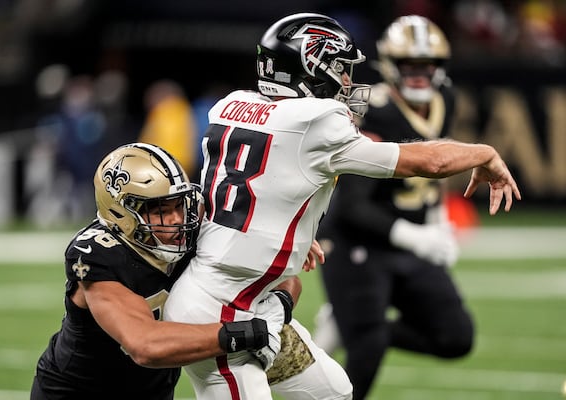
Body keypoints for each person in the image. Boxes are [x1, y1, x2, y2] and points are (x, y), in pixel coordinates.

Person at [162, 12, 520, 400]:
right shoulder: (315, 120)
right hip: (220, 310)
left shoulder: (230, 106)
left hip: (249, 299)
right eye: (340, 70)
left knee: (335, 392)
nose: (347, 81)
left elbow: (247, 188)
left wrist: (294, 230)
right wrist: (482, 153)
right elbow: (426, 163)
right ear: (311, 67)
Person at [30, 142, 295, 400]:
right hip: (78, 392)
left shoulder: (191, 234)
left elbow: (286, 279)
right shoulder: (99, 254)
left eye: (179, 205)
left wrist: (278, 306)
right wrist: (247, 333)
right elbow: (145, 345)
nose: (177, 219)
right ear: (122, 212)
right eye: (161, 211)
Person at [312, 15, 475, 399]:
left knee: (455, 337)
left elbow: (434, 173)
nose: (419, 76)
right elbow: (351, 206)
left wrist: (436, 224)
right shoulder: (375, 110)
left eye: (427, 66)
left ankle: (347, 320)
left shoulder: (445, 99)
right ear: (390, 64)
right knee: (365, 350)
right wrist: (416, 237)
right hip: (358, 243)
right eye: (408, 66)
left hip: (407, 240)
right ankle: (357, 325)